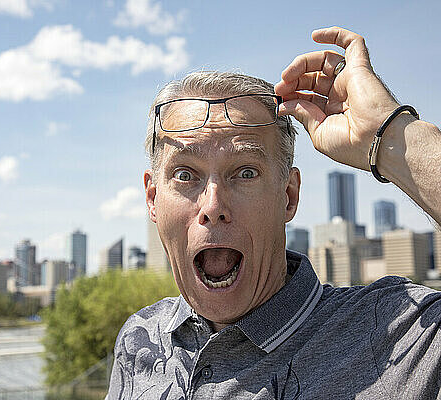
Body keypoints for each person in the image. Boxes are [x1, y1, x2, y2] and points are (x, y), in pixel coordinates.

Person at [106, 26, 441, 399]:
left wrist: (391, 135)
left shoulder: (397, 334)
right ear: (152, 198)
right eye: (186, 175)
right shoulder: (140, 339)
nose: (213, 206)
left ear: (289, 196)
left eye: (245, 172)